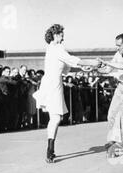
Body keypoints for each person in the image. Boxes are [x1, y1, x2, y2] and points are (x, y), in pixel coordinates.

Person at [33, 24, 101, 163]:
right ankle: (50, 149)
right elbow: (74, 61)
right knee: (56, 118)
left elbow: (67, 67)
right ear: (54, 35)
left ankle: (50, 150)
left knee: (55, 118)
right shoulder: (57, 48)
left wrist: (85, 67)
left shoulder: (53, 48)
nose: (63, 36)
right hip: (52, 84)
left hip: (53, 83)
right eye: (60, 33)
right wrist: (93, 63)